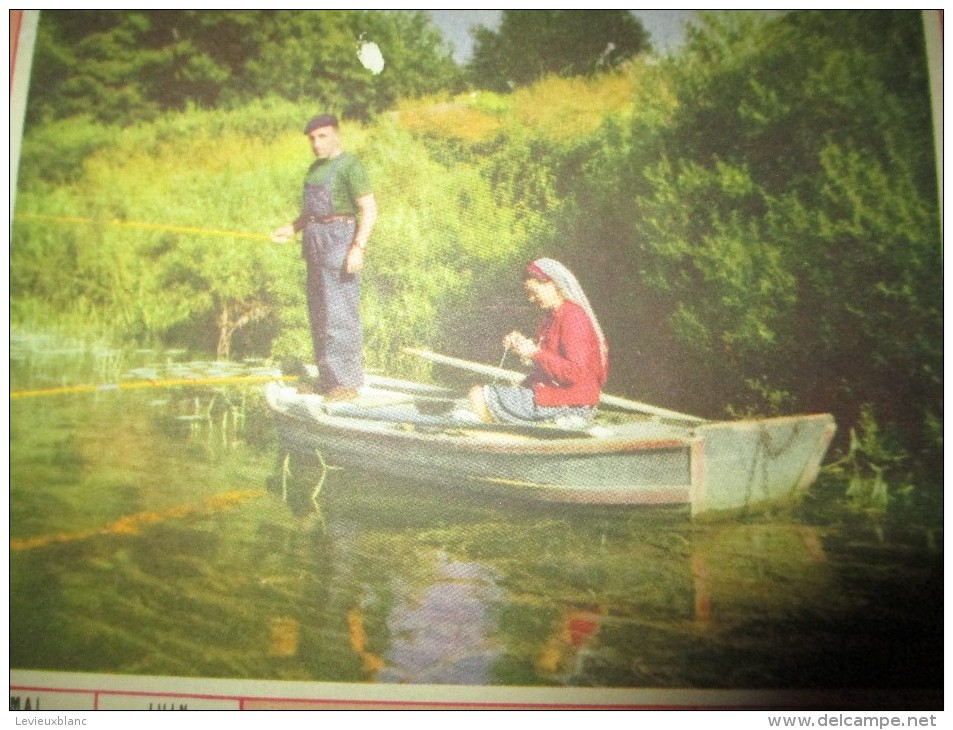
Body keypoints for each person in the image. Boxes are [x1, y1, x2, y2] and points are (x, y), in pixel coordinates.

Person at [272, 114, 377, 401]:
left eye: (322, 136)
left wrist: (358, 247)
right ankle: (328, 380)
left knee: (339, 315)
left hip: (339, 239)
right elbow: (309, 213)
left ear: (336, 136)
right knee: (319, 313)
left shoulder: (350, 166)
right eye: (312, 138)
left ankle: (347, 384)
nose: (316, 143)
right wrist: (292, 228)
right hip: (314, 241)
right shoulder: (314, 169)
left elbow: (369, 209)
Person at [467, 258, 609, 425]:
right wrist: (521, 346)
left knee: (478, 395)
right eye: (529, 294)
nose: (531, 299)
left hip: (571, 404)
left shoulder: (573, 317)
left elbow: (576, 373)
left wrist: (535, 352)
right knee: (476, 396)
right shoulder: (551, 317)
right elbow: (547, 361)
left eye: (534, 292)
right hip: (553, 397)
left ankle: (505, 440)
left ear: (552, 284)